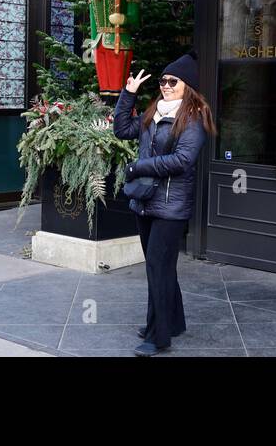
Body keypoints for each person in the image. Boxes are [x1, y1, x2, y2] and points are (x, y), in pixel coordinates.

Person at [111, 52, 214, 357]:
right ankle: (174, 321)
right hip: (146, 202)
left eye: (173, 81)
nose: (166, 86)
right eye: (163, 81)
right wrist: (128, 94)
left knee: (158, 267)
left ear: (188, 86)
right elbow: (122, 130)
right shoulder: (153, 112)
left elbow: (182, 161)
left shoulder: (194, 118)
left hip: (171, 206)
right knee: (161, 267)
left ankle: (158, 336)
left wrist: (138, 167)